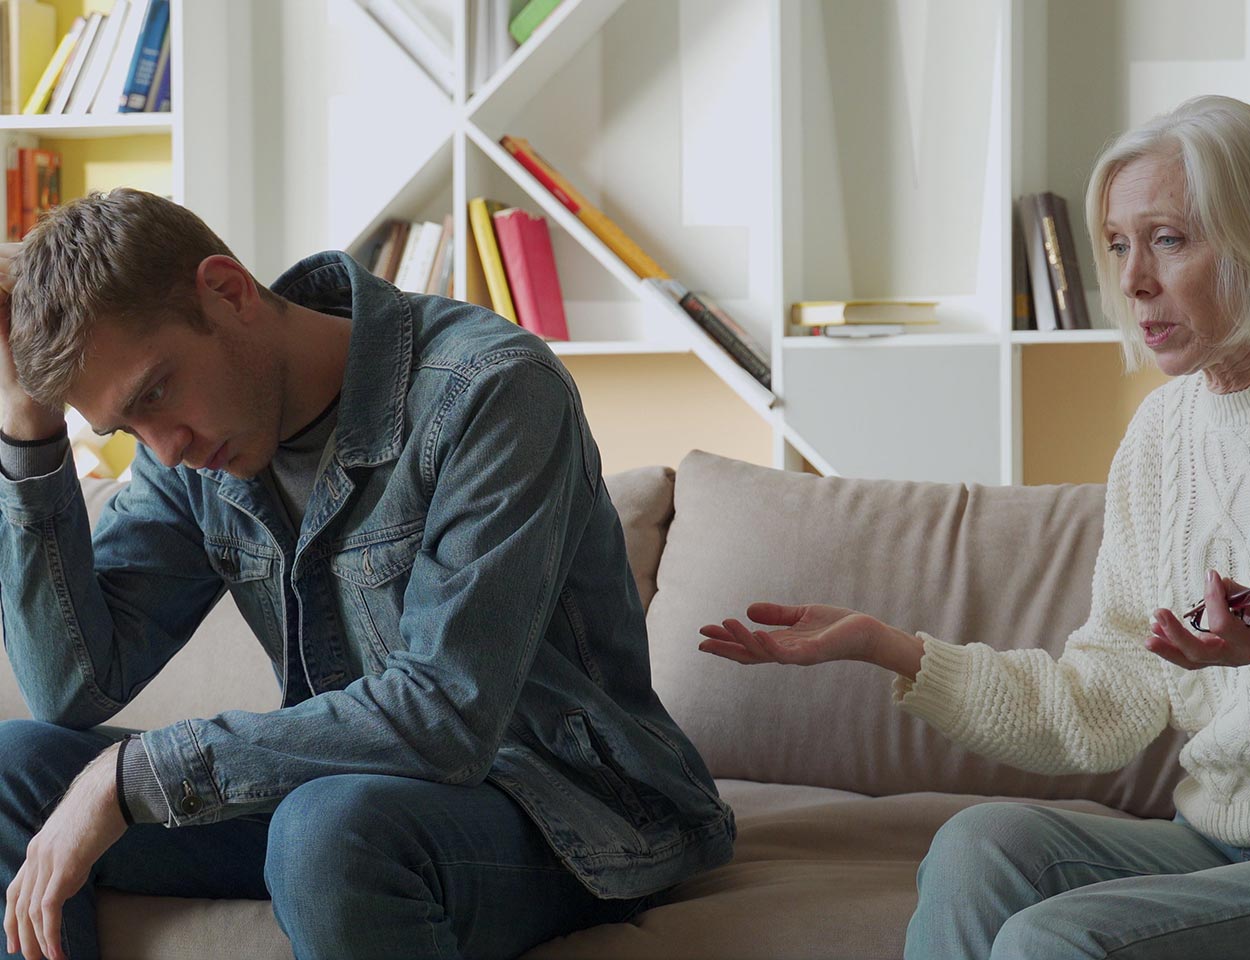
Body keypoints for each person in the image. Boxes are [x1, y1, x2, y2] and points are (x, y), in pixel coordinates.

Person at [700, 94, 1250, 960]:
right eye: (1119, 244)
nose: (1130, 282)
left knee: (1062, 938)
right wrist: (889, 647)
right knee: (983, 843)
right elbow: (1100, 706)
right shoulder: (1162, 436)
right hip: (1225, 837)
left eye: (1168, 239)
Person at [0, 188, 733, 960]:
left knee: (328, 830)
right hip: (344, 797)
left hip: (568, 807)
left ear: (226, 290)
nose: (165, 446)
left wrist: (138, 772)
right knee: (18, 772)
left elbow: (445, 715)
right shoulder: (193, 452)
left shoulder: (490, 390)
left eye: (156, 391)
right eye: (127, 427)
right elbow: (69, 688)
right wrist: (26, 425)